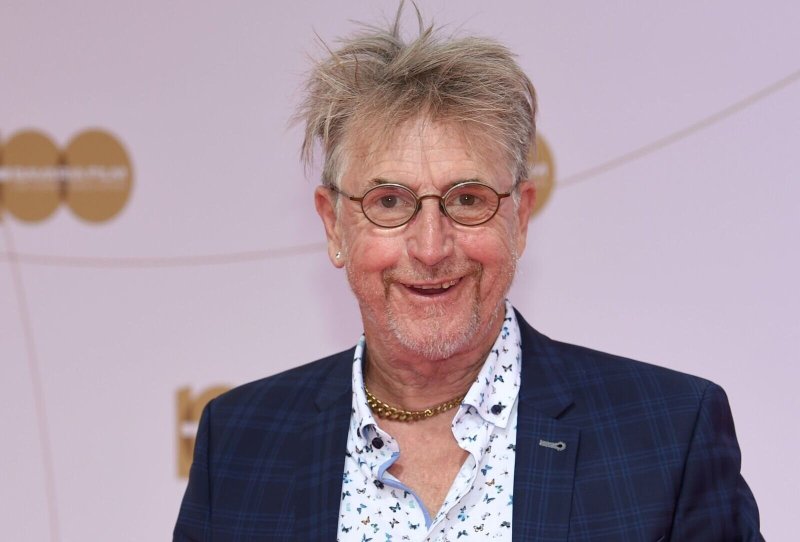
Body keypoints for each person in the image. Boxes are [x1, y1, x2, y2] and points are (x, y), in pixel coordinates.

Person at [174, 6, 762, 541]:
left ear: (520, 217)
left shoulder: (668, 435)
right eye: (389, 202)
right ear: (334, 226)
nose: (431, 248)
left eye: (467, 199)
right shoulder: (241, 441)